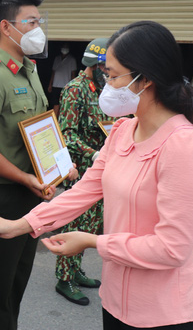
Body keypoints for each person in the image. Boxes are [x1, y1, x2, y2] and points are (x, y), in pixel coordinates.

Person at [0, 20, 193, 329]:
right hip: (115, 301)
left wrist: (93, 242)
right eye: (106, 75)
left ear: (146, 80)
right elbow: (84, 191)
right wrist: (19, 225)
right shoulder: (122, 131)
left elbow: (172, 248)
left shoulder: (184, 148)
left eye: (114, 76)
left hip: (163, 313)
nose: (108, 86)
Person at [0, 0, 78, 330]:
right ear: (7, 28)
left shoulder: (29, 71)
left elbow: (40, 131)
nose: (38, 29)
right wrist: (25, 178)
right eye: (31, 22)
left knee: (16, 282)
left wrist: (58, 167)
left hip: (30, 193)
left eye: (40, 21)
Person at [54, 38, 110, 306]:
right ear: (95, 66)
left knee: (90, 225)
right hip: (81, 171)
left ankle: (76, 269)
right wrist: (94, 153)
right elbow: (67, 136)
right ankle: (64, 279)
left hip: (100, 170)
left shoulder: (100, 89)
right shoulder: (75, 90)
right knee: (75, 223)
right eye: (106, 68)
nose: (110, 74)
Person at [48, 43, 77, 117]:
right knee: (55, 104)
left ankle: (60, 122)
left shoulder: (72, 60)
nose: (65, 49)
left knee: (64, 105)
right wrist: (50, 85)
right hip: (56, 85)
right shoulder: (57, 58)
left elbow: (73, 74)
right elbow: (53, 72)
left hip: (66, 86)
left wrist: (72, 87)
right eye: (63, 47)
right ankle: (55, 122)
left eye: (66, 47)